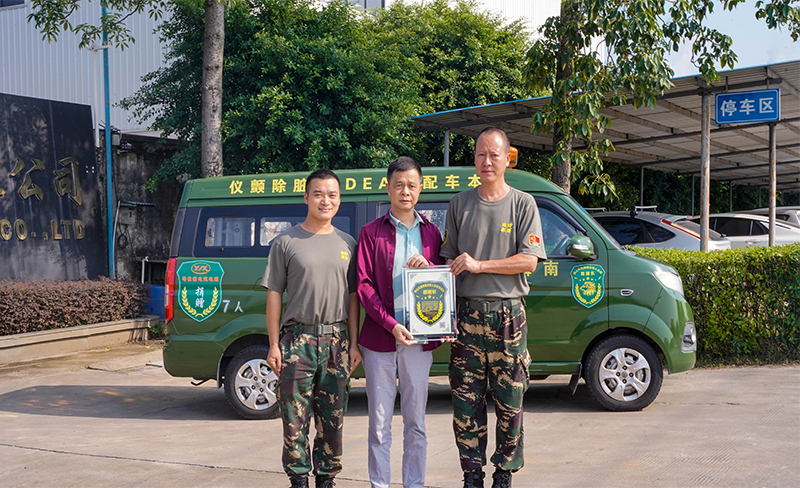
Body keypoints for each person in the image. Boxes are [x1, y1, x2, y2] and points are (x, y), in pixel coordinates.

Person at [440, 127, 547, 488]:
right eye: (481, 155)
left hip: (507, 316)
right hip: (466, 314)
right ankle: (471, 473)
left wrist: (481, 265)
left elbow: (529, 261)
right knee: (465, 399)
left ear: (508, 157)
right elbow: (448, 261)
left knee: (510, 397)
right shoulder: (459, 204)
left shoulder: (522, 204)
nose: (487, 161)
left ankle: (504, 472)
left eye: (494, 155)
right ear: (474, 159)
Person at [264, 168, 362, 488]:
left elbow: (352, 299)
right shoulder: (286, 242)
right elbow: (275, 295)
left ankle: (327, 478)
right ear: (306, 198)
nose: (325, 200)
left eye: (332, 195)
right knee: (294, 419)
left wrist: (355, 343)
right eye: (318, 193)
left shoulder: (348, 243)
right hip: (297, 341)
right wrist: (274, 344)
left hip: (336, 341)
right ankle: (298, 480)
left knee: (332, 418)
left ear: (339, 201)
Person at [356, 156, 445, 488]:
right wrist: (391, 324)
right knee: (379, 423)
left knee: (416, 421)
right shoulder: (371, 233)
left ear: (420, 188)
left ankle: (414, 484)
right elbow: (364, 286)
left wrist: (432, 268)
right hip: (380, 340)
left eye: (411, 185)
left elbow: (444, 284)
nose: (405, 191)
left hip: (419, 341)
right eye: (398, 185)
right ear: (388, 187)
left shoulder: (433, 233)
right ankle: (379, 484)